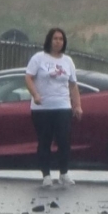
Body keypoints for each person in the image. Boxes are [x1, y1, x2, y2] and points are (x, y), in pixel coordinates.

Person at [25, 28, 83, 188]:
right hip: (42, 108)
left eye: (61, 39)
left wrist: (77, 105)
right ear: (49, 40)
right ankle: (46, 175)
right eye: (55, 38)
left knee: (64, 140)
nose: (58, 42)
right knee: (45, 141)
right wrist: (35, 95)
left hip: (63, 106)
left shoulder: (68, 61)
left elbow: (73, 85)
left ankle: (64, 173)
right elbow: (28, 77)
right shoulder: (39, 58)